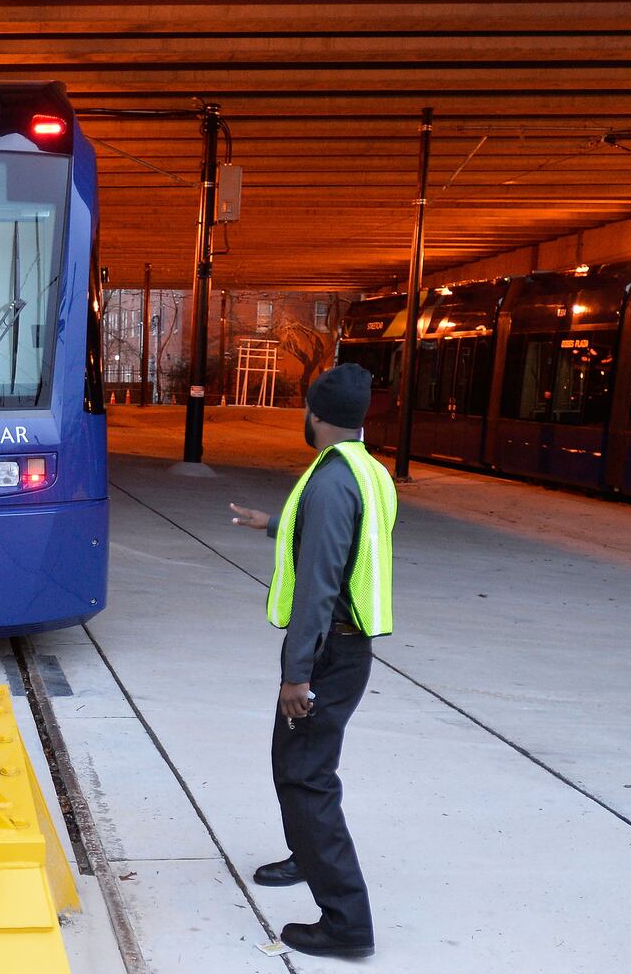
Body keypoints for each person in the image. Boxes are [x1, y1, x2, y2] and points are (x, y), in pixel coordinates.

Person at [229, 363, 397, 960]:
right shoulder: (369, 470)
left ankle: (346, 922)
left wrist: (296, 673)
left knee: (305, 777)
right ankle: (306, 855)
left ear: (315, 414)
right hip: (350, 649)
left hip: (327, 652)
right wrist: (272, 524)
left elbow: (321, 581)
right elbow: (339, 541)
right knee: (300, 765)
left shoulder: (330, 480)